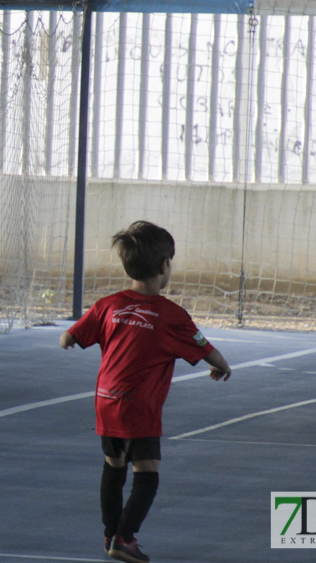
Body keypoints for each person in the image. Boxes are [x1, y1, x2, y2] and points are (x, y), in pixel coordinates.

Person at [58, 221, 233, 563]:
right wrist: (222, 366)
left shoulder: (108, 305)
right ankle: (125, 537)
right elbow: (205, 348)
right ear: (165, 266)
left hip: (106, 402)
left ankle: (111, 533)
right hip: (139, 407)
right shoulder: (171, 315)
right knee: (147, 474)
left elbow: (69, 337)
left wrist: (68, 339)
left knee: (114, 465)